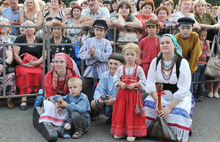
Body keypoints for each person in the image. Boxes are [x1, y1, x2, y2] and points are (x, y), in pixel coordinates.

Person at [144, 34, 193, 142]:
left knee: (178, 114)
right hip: (158, 95)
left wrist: (169, 107)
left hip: (177, 97)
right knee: (147, 109)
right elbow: (150, 84)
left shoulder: (182, 62)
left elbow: (183, 89)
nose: (165, 45)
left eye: (168, 42)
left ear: (174, 45)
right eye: (162, 43)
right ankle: (151, 130)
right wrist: (158, 102)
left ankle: (171, 132)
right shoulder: (155, 61)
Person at [111, 43, 147, 142]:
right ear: (124, 55)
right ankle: (120, 131)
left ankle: (132, 132)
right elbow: (115, 79)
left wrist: (135, 85)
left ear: (136, 56)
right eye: (127, 54)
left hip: (133, 96)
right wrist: (121, 83)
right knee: (121, 111)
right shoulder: (121, 68)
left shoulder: (138, 69)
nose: (129, 57)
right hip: (122, 95)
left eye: (132, 54)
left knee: (132, 113)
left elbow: (143, 81)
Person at [78, 20, 112, 119]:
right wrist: (90, 53)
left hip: (102, 70)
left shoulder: (107, 43)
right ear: (94, 30)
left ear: (105, 32)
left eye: (101, 30)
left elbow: (108, 57)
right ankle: (87, 112)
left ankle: (103, 111)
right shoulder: (89, 41)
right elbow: (80, 54)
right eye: (97, 30)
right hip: (90, 69)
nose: (98, 32)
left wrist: (96, 53)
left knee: (103, 90)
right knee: (85, 88)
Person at [13, 20, 47, 110]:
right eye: (26, 27)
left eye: (30, 27)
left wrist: (37, 62)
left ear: (34, 28)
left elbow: (45, 55)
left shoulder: (40, 40)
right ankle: (24, 99)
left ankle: (38, 96)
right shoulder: (19, 39)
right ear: (23, 29)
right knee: (24, 73)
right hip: (23, 65)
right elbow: (15, 55)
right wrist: (24, 64)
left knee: (40, 73)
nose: (28, 29)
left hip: (37, 64)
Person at [39, 53, 80, 127]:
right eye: (56, 62)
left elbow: (75, 93)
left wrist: (64, 103)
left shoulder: (74, 76)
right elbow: (49, 94)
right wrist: (56, 103)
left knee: (71, 109)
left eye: (61, 62)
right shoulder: (48, 76)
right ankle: (53, 124)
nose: (58, 64)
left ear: (66, 63)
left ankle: (66, 125)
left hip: (69, 100)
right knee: (52, 107)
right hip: (53, 100)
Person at [91, 53, 125, 124]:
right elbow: (99, 90)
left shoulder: (124, 76)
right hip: (108, 100)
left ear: (121, 65)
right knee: (94, 103)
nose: (112, 66)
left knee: (115, 104)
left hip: (120, 102)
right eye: (111, 63)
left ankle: (119, 121)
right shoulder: (105, 75)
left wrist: (115, 100)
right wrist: (99, 98)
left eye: (116, 64)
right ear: (108, 63)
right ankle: (112, 116)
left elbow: (126, 95)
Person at [175, 17, 201, 93]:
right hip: (178, 66)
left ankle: (189, 102)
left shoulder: (195, 36)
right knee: (178, 88)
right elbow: (175, 55)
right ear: (179, 28)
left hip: (189, 66)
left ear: (192, 28)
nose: (185, 30)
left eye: (188, 28)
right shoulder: (175, 38)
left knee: (188, 88)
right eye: (183, 28)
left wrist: (189, 70)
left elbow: (195, 54)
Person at [193, 29, 210, 102]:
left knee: (202, 81)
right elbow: (198, 54)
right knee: (196, 81)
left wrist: (208, 45)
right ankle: (193, 95)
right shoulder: (197, 43)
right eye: (201, 35)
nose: (203, 37)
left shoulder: (206, 44)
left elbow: (209, 54)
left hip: (204, 64)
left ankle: (199, 95)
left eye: (205, 36)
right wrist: (200, 45)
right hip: (197, 64)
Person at [0, 38, 16, 109]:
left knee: (10, 75)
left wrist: (2, 66)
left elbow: (10, 58)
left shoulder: (5, 43)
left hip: (4, 65)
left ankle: (9, 100)